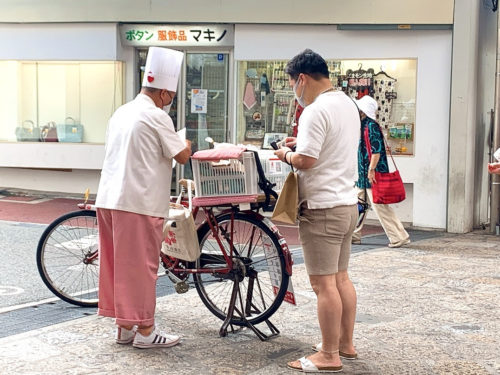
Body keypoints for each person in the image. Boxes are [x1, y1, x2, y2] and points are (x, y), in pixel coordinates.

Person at [95, 47, 192, 349]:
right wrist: (186, 140)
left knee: (117, 264)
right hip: (138, 201)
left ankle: (124, 326)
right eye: (171, 97)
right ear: (164, 92)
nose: (170, 102)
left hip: (109, 198)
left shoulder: (121, 112)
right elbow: (182, 154)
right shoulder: (156, 115)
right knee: (141, 267)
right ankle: (146, 331)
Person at [274, 49, 360, 373]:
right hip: (346, 205)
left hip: (322, 208)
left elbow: (307, 161)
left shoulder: (314, 110)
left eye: (292, 84)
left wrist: (285, 153)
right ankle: (345, 344)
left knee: (323, 285)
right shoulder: (346, 104)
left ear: (302, 79)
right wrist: (301, 143)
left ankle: (328, 354)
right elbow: (330, 146)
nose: (294, 91)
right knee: (341, 279)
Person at [352, 95, 410, 248]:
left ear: (363, 111)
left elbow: (376, 151)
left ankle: (399, 236)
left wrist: (371, 170)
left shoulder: (371, 126)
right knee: (358, 205)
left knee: (380, 207)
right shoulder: (363, 125)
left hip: (373, 174)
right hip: (364, 174)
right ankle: (354, 234)